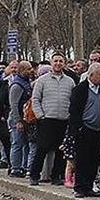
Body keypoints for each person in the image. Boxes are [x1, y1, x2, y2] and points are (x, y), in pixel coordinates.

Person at [30, 52, 75, 186]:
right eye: (55, 61)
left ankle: (56, 176)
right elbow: (35, 99)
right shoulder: (42, 81)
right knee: (42, 148)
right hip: (46, 120)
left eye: (61, 61)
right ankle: (34, 175)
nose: (58, 64)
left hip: (63, 120)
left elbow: (73, 101)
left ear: (64, 63)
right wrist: (40, 115)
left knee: (60, 150)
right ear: (51, 63)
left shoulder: (70, 81)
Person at [67, 63, 100, 198]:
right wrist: (78, 128)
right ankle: (79, 187)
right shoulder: (80, 89)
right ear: (91, 75)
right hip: (84, 129)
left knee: (94, 159)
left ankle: (88, 185)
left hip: (97, 129)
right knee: (82, 160)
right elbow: (74, 110)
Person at [7, 61, 35, 177]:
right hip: (17, 118)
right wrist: (18, 120)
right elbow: (13, 104)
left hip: (26, 118)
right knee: (17, 143)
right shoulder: (17, 85)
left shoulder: (26, 82)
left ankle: (23, 166)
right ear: (22, 70)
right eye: (29, 69)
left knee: (25, 144)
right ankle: (15, 168)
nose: (31, 71)